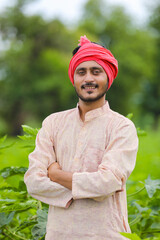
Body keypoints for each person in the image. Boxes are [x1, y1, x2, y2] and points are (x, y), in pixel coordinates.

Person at [24, 35, 138, 240]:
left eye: (96, 72)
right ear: (73, 78)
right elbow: (33, 182)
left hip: (107, 236)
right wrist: (88, 190)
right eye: (81, 72)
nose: (88, 79)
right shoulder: (53, 124)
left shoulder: (121, 127)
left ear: (108, 77)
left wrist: (56, 175)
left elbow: (107, 182)